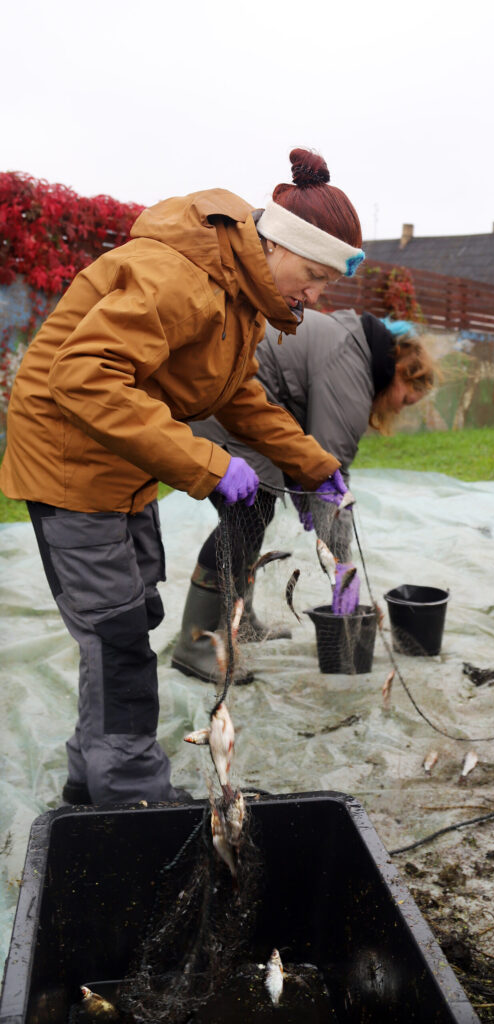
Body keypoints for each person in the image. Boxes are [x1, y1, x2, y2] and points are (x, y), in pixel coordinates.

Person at [0, 149, 365, 807]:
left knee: (134, 608)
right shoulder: (179, 278)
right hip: (70, 463)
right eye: (312, 276)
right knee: (115, 633)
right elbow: (82, 377)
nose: (314, 297)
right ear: (276, 245)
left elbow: (240, 395)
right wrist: (208, 464)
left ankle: (92, 776)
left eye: (324, 285)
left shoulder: (239, 297)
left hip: (126, 461)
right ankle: (130, 794)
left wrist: (314, 466)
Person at [170, 308, 436, 683]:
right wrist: (342, 569)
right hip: (226, 405)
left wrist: (301, 482)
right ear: (401, 370)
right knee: (246, 518)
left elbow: (306, 441)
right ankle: (196, 643)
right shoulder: (354, 370)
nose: (398, 408)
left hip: (241, 400)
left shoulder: (354, 348)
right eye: (406, 399)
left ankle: (239, 620)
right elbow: (330, 477)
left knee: (253, 518)